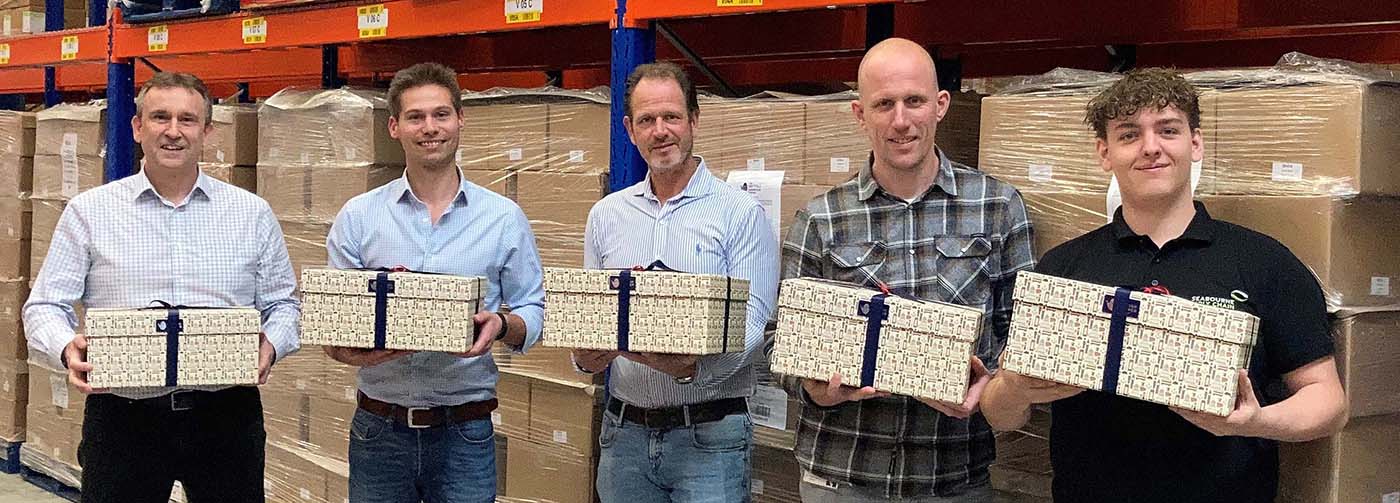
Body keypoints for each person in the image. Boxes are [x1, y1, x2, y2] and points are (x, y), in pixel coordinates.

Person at [979, 67, 1349, 503]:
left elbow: (1328, 402)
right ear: (1105, 152)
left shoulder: (1264, 262)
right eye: (1129, 134)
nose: (1150, 148)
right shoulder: (1063, 268)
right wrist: (1015, 390)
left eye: (1168, 130)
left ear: (1195, 144)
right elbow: (1000, 413)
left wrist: (1251, 422)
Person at [23, 72, 301, 502]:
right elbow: (43, 304)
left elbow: (284, 304)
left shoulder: (251, 214)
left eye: (188, 120)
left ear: (207, 131)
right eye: (160, 117)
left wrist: (272, 345)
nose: (173, 131)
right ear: (138, 128)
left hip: (226, 417)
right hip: (124, 419)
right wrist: (66, 347)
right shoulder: (90, 212)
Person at [778, 38, 1035, 502]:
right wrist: (816, 389)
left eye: (914, 101)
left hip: (953, 480)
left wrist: (986, 384)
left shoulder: (996, 207)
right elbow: (780, 342)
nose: (901, 121)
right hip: (841, 479)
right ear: (860, 115)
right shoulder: (820, 220)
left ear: (940, 106)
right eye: (883, 105)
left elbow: (1023, 338)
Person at [321, 62, 546, 503]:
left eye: (441, 114)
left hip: (465, 432)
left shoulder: (503, 219)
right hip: (378, 432)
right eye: (415, 117)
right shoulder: (359, 217)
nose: (430, 128)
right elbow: (333, 328)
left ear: (461, 120)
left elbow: (534, 310)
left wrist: (500, 325)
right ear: (394, 126)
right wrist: (350, 351)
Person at [571, 61, 780, 502]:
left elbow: (754, 326)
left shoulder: (739, 214)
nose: (660, 131)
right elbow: (592, 316)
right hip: (624, 435)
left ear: (694, 122)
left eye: (671, 117)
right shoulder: (607, 216)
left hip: (709, 437)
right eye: (647, 120)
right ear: (629, 129)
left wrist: (692, 369)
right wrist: (585, 358)